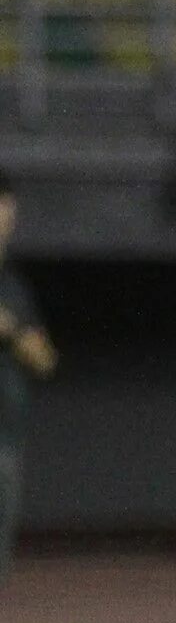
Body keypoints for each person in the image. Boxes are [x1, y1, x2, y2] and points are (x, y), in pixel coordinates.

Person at [0, 172, 59, 587]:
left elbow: (45, 359)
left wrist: (11, 330)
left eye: (6, 211)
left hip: (5, 436)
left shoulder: (14, 289)